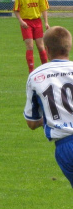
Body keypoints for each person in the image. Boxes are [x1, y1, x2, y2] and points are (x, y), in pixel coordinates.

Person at [24, 26, 73, 188]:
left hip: (66, 146)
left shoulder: (36, 76)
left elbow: (32, 123)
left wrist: (50, 117)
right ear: (69, 46)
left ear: (46, 49)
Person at [14, 0, 50, 73]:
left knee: (40, 46)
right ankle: (31, 71)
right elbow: (16, 10)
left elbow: (44, 9)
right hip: (26, 23)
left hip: (37, 22)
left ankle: (45, 68)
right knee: (30, 46)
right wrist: (21, 21)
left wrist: (46, 22)